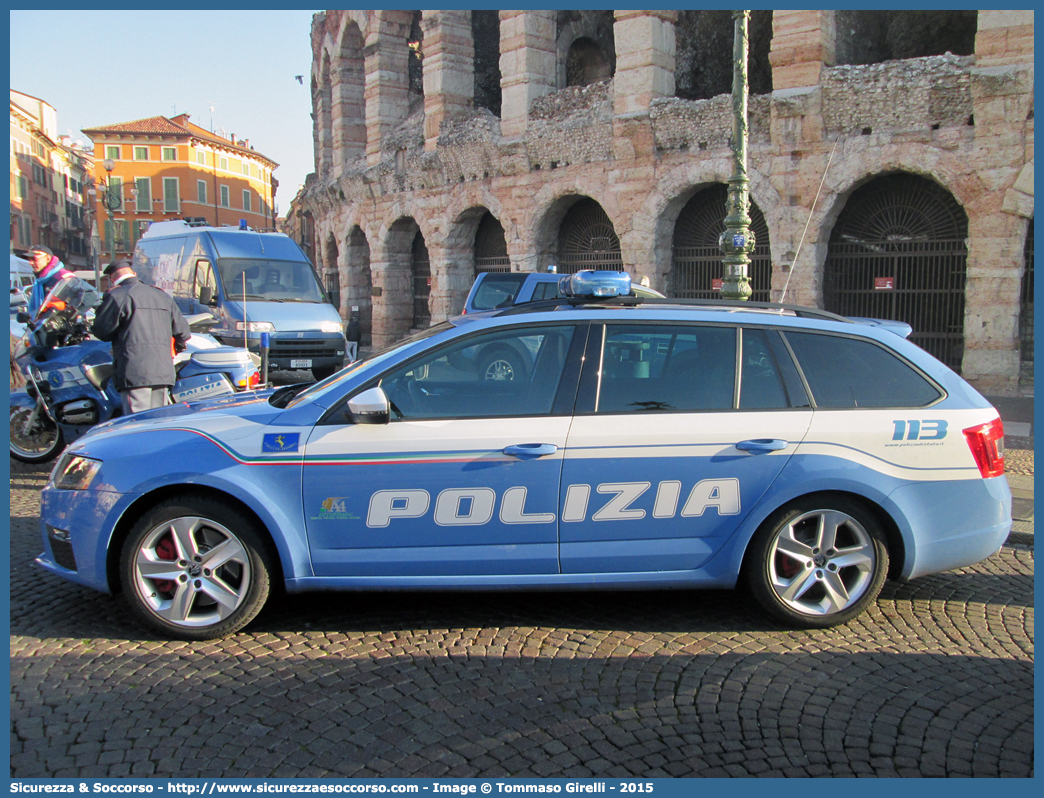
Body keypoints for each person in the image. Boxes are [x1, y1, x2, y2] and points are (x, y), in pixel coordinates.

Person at [91, 260, 191, 415]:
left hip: (134, 371)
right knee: (159, 421)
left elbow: (102, 331)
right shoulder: (161, 295)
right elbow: (183, 332)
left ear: (112, 279)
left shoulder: (117, 295)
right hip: (162, 370)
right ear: (134, 274)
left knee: (137, 423)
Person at [26, 244, 73, 317]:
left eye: (34, 259)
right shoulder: (39, 282)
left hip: (61, 325)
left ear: (48, 258)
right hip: (43, 325)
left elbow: (81, 299)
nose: (30, 263)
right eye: (29, 259)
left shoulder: (64, 276)